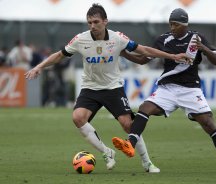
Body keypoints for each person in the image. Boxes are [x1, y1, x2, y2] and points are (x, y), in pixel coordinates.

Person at [25, 4, 188, 173]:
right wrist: (39, 67)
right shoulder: (81, 39)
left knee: (128, 125)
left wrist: (172, 56)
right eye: (89, 22)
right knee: (78, 117)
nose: (92, 26)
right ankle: (106, 152)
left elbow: (144, 50)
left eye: (96, 22)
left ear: (105, 21)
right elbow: (59, 55)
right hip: (90, 88)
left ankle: (147, 163)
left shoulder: (117, 38)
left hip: (113, 88)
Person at [112, 8, 216, 175]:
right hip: (167, 88)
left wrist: (203, 48)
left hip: (190, 89)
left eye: (175, 24)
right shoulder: (163, 40)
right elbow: (142, 60)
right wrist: (123, 53)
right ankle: (130, 144)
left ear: (184, 25)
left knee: (209, 123)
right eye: (170, 24)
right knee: (145, 108)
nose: (172, 27)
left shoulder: (197, 38)